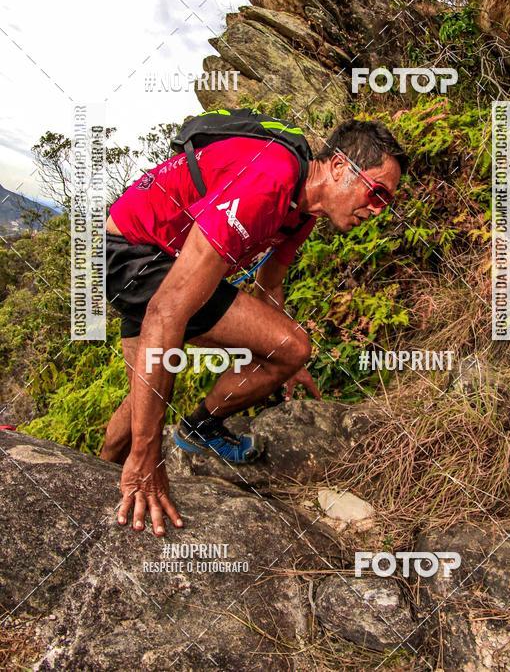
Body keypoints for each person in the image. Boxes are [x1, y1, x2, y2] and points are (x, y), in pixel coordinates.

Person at [101, 118, 404, 536]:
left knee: (143, 398)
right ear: (339, 167)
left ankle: (96, 482)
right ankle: (190, 433)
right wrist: (149, 458)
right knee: (287, 347)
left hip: (134, 250)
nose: (377, 209)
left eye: (386, 202)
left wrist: (282, 358)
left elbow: (270, 282)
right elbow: (165, 311)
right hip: (138, 255)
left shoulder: (301, 214)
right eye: (377, 192)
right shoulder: (272, 175)